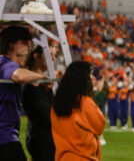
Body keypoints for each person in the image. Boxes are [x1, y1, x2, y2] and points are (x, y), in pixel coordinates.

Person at [0, 26, 48, 160]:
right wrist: (42, 77)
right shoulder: (7, 64)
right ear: (11, 44)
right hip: (5, 136)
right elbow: (18, 76)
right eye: (24, 41)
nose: (29, 44)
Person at [51, 61, 106, 161]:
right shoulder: (85, 102)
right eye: (90, 74)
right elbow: (100, 127)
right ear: (82, 79)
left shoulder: (55, 105)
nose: (93, 78)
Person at [21, 44, 56, 161]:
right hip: (41, 141)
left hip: (46, 138)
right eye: (50, 55)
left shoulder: (46, 82)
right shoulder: (30, 85)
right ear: (37, 56)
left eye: (54, 55)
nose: (53, 59)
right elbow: (46, 116)